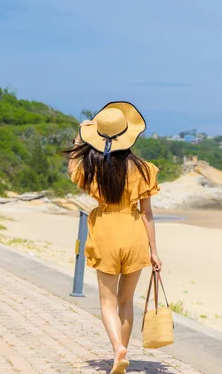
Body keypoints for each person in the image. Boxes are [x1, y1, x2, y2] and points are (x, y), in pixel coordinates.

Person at [65, 101, 162, 374]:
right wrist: (154, 251)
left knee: (107, 302)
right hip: (133, 233)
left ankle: (117, 349)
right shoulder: (144, 170)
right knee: (125, 301)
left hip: (106, 230)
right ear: (127, 134)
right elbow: (147, 214)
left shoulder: (92, 168)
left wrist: (78, 138)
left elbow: (72, 170)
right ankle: (124, 352)